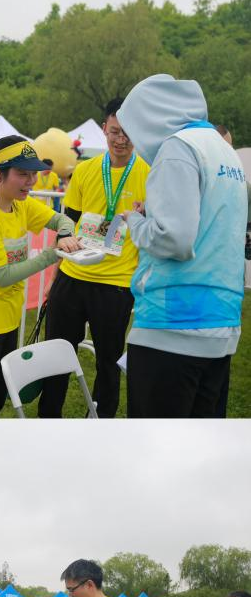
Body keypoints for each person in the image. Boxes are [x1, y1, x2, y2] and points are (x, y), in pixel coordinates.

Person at [116, 74, 249, 418]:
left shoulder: (176, 149)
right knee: (199, 444)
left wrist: (136, 223)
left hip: (172, 322)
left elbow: (174, 239)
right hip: (220, 322)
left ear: (149, 117)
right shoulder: (223, 151)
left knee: (156, 445)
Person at [0, 135, 81, 418]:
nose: (31, 182)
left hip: (7, 323)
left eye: (33, 174)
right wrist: (52, 254)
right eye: (23, 174)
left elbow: (61, 219)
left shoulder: (19, 204)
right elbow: (1, 276)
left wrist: (64, 234)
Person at [38, 99, 149, 418]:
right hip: (73, 277)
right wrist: (55, 278)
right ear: (104, 129)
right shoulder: (85, 170)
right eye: (114, 131)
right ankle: (47, 421)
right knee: (56, 356)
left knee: (108, 362)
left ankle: (100, 425)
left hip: (115, 284)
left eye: (127, 132)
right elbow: (67, 224)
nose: (121, 139)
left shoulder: (149, 174)